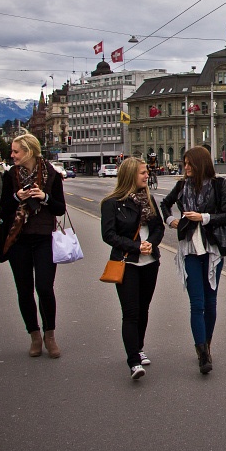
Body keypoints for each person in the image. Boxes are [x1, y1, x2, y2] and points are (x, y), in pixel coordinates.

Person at [160, 146, 226, 375]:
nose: (186, 168)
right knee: (197, 303)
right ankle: (202, 353)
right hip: (190, 248)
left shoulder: (219, 184)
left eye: (190, 164)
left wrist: (203, 217)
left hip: (212, 249)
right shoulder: (182, 185)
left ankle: (207, 344)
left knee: (210, 301)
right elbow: (165, 203)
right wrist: (171, 220)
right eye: (185, 163)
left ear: (200, 164)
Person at [0, 133, 66, 359]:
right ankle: (34, 335)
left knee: (45, 288)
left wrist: (44, 197)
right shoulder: (10, 176)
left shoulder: (52, 174)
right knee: (24, 289)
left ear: (29, 151)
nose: (13, 155)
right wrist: (17, 197)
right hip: (19, 239)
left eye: (16, 151)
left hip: (44, 237)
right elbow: (3, 208)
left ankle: (50, 334)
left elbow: (59, 208)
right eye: (13, 151)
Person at [101, 157, 164, 381]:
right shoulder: (112, 202)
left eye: (147, 172)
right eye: (142, 173)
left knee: (143, 309)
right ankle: (133, 361)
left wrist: (152, 244)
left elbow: (158, 227)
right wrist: (137, 246)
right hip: (126, 262)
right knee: (130, 312)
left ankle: (138, 347)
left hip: (150, 262)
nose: (147, 176)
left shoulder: (149, 198)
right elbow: (109, 235)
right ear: (130, 176)